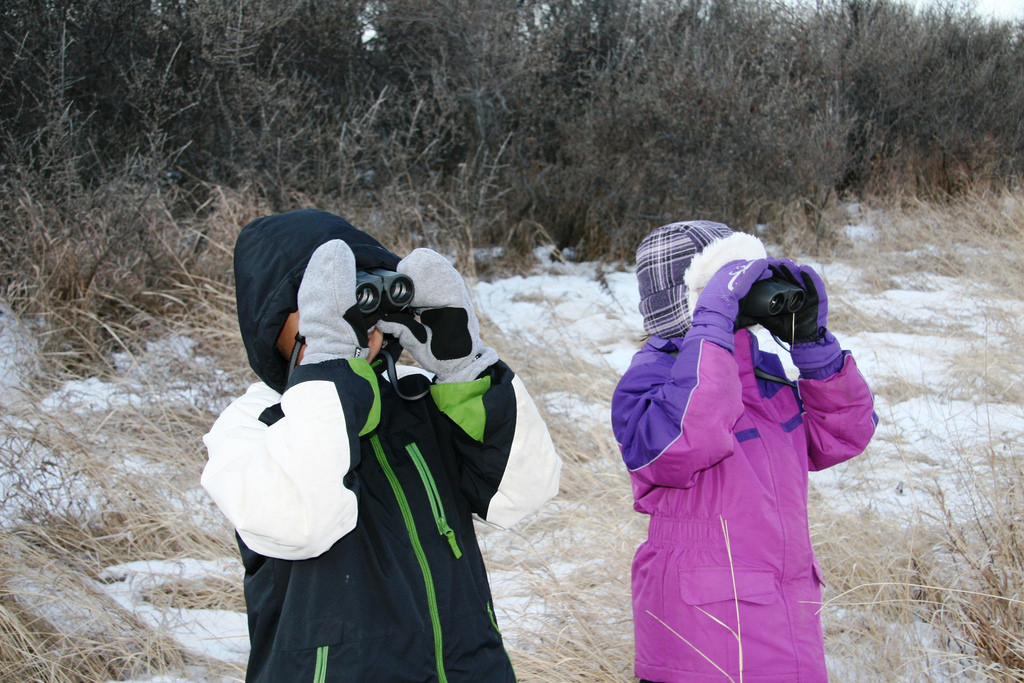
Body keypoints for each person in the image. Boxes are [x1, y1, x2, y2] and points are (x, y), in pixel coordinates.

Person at [201, 209, 562, 682]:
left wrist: (463, 366)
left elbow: (524, 489)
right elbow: (300, 522)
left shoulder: (416, 396)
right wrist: (329, 366)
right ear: (271, 326)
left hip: (468, 664)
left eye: (361, 297)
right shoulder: (253, 423)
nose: (354, 318)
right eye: (319, 305)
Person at [610, 220, 876, 682]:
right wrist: (710, 325)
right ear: (694, 295)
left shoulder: (764, 373)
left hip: (789, 614)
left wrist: (812, 345)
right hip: (705, 635)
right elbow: (685, 442)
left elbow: (844, 436)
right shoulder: (652, 376)